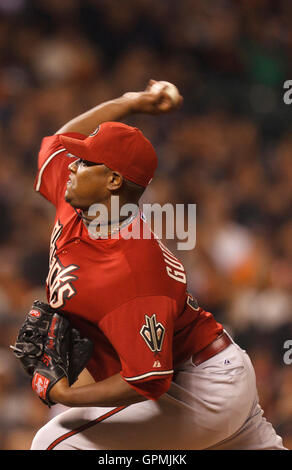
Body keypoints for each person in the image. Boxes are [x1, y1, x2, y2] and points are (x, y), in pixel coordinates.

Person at [30, 80, 285, 450]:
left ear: (113, 181)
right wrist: (130, 101)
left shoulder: (131, 266)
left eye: (85, 162)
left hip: (198, 387)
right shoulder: (78, 201)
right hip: (209, 370)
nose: (72, 166)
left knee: (55, 442)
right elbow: (61, 139)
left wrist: (67, 396)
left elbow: (148, 381)